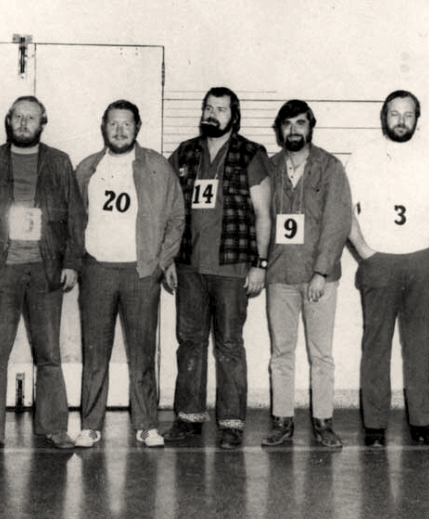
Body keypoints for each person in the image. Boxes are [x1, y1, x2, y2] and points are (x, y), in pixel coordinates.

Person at [160, 87, 273, 450]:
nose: (212, 114)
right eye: (208, 107)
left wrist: (260, 264)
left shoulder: (251, 153)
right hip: (189, 266)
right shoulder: (185, 152)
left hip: (232, 267)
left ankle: (231, 423)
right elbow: (167, 209)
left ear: (234, 116)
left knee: (229, 346)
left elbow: (264, 214)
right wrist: (167, 258)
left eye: (221, 109)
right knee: (189, 343)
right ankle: (188, 417)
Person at [73, 100, 186, 448]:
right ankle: (90, 425)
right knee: (95, 353)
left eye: (126, 124)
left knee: (142, 354)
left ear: (138, 127)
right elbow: (74, 220)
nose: (120, 130)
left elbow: (176, 218)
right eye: (113, 124)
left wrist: (160, 263)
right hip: (97, 270)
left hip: (140, 272)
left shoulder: (157, 166)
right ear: (103, 127)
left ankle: (146, 424)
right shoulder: (87, 168)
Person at [0, 96, 79, 450]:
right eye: (17, 116)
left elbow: (75, 217)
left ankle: (53, 426)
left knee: (49, 353)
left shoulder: (59, 162)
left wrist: (71, 263)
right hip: (1, 269)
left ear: (42, 123)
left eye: (30, 117)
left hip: (46, 269)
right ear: (8, 119)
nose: (23, 123)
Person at [346, 90, 429, 448]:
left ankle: (423, 423)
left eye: (408, 114)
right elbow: (346, 208)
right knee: (376, 344)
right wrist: (365, 252)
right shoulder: (364, 155)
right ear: (384, 117)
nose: (401, 121)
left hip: (420, 260)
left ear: (417, 119)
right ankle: (375, 425)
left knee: (418, 343)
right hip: (379, 261)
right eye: (395, 114)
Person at [261, 100, 352, 448]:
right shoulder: (269, 167)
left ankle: (323, 423)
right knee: (281, 353)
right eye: (287, 124)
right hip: (280, 274)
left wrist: (321, 271)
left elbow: (337, 221)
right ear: (279, 129)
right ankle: (282, 421)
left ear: (311, 127)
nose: (294, 130)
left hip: (319, 278)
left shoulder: (330, 167)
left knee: (321, 354)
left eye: (300, 123)